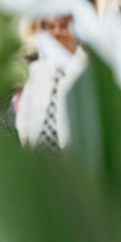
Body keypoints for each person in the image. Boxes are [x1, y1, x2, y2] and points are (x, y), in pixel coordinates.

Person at [15, 13, 85, 149]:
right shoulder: (37, 69)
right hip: (39, 155)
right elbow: (24, 112)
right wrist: (26, 143)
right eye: (50, 27)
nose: (57, 32)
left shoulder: (86, 69)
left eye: (64, 26)